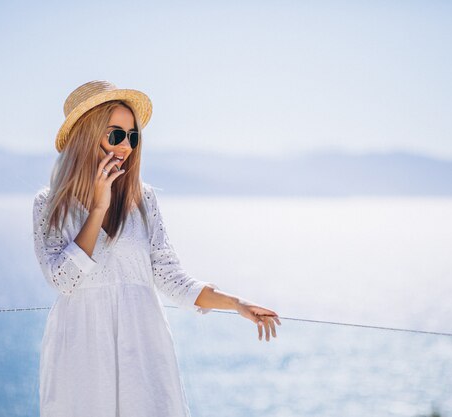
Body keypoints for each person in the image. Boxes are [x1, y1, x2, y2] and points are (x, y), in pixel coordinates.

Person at [32, 80, 281, 417]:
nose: (126, 147)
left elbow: (170, 277)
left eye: (132, 137)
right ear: (87, 135)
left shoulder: (143, 199)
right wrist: (98, 209)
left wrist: (235, 304)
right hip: (81, 354)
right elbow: (63, 280)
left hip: (143, 351)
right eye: (116, 134)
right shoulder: (50, 204)